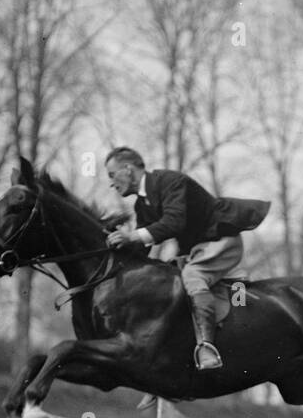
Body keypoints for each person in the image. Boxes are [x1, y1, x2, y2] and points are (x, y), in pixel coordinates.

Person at [103, 146, 270, 371]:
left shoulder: (170, 181)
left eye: (112, 175)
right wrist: (113, 238)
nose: (111, 183)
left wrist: (132, 235)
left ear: (128, 169)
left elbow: (174, 222)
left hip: (221, 241)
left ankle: (207, 346)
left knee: (192, 275)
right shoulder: (141, 204)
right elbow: (142, 247)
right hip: (197, 250)